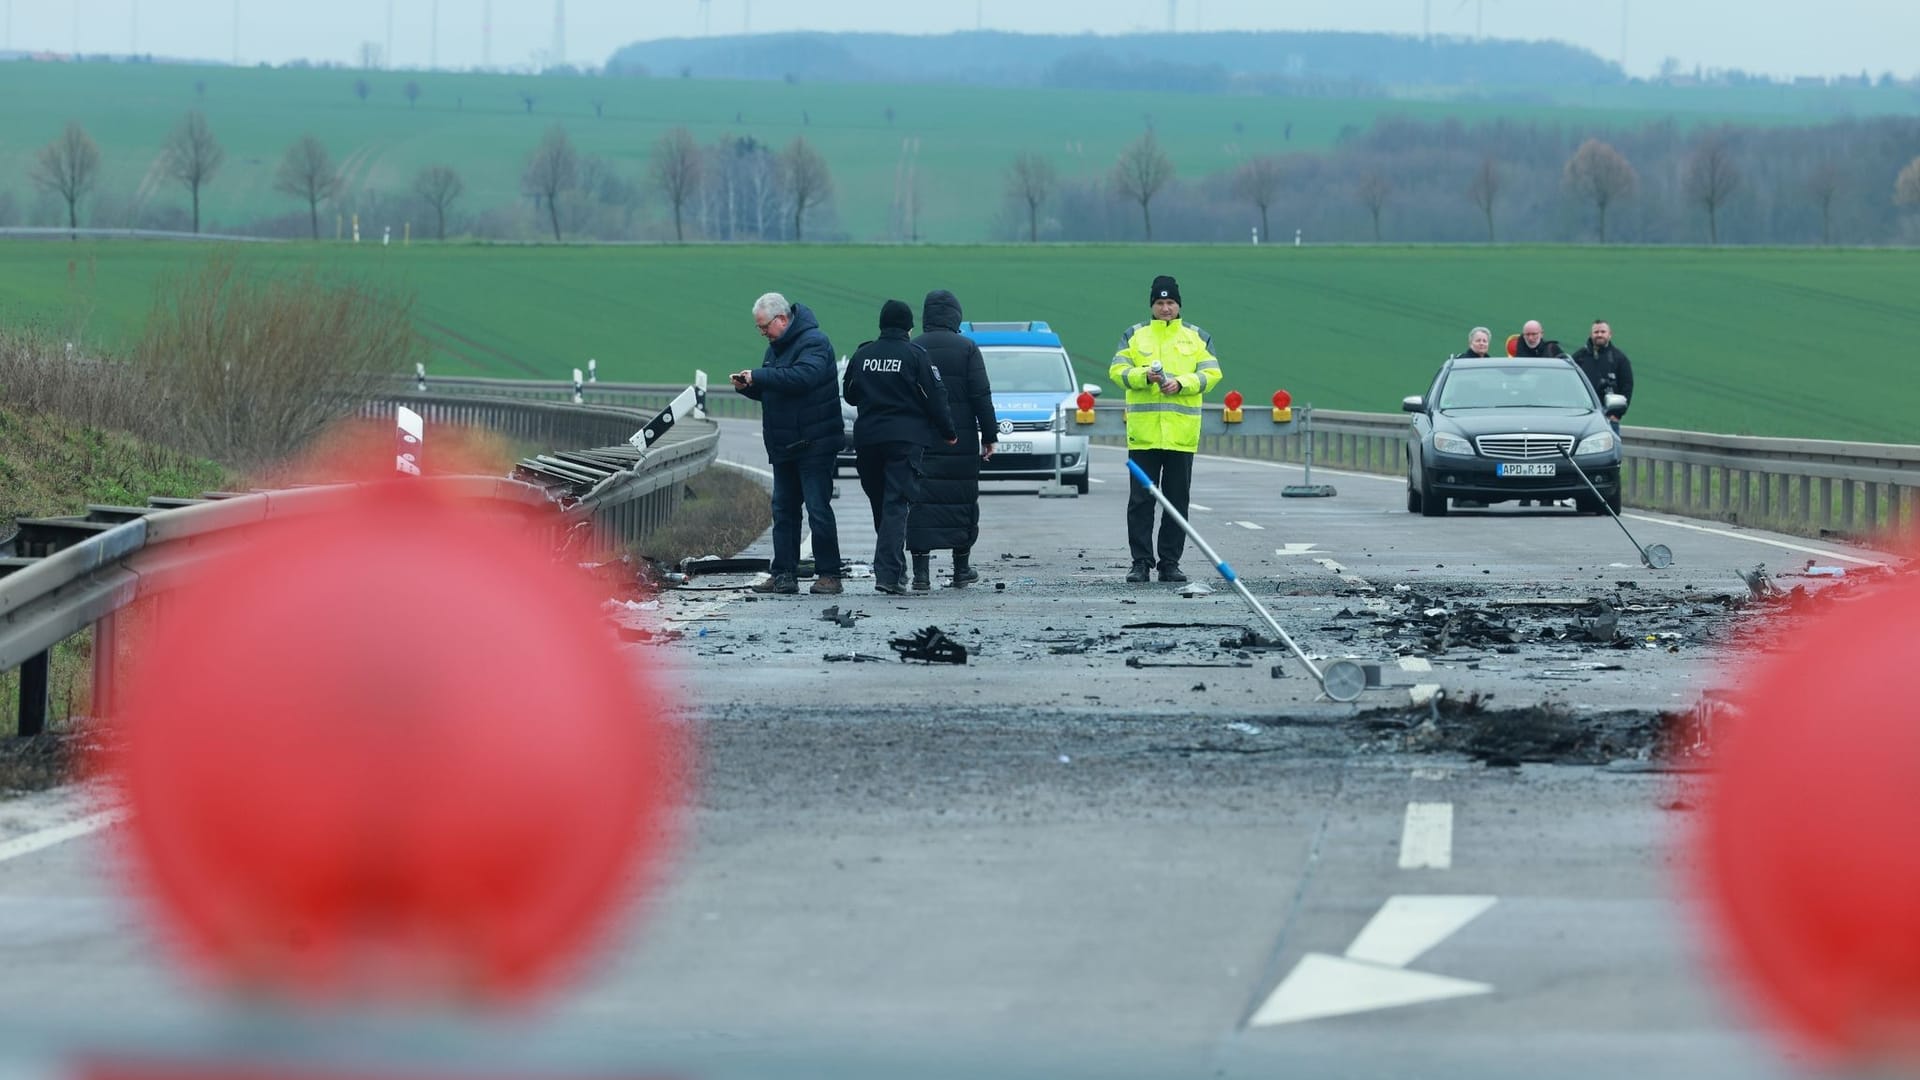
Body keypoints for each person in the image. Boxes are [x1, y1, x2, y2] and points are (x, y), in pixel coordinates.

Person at [1110, 274, 1223, 584]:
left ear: (1179, 305)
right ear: (1152, 305)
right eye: (1160, 303)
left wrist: (1181, 383)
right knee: (1140, 502)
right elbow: (1117, 371)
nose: (1165, 308)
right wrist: (1144, 376)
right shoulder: (1134, 336)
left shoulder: (1197, 337)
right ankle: (1141, 563)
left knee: (1176, 501)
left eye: (1170, 302)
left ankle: (1170, 563)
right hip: (1144, 435)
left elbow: (1212, 374)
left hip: (1180, 435)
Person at [730, 293, 844, 596]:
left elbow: (803, 378)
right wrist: (750, 387)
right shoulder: (775, 349)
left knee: (818, 509)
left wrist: (761, 376)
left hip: (815, 442)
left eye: (764, 326)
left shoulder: (814, 341)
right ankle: (783, 573)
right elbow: (778, 388)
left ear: (781, 319)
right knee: (783, 511)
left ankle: (830, 574)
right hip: (784, 444)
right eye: (759, 328)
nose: (763, 333)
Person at [842, 299, 957, 595]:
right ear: (909, 326)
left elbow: (851, 395)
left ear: (881, 324)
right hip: (906, 441)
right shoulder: (916, 355)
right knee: (895, 505)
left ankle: (893, 569)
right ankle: (889, 575)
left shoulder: (863, 354)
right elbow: (936, 397)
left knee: (881, 505)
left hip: (867, 441)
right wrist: (948, 432)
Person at [906, 289, 998, 591]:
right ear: (956, 316)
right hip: (962, 439)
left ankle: (921, 574)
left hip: (922, 440)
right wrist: (990, 435)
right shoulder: (967, 347)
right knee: (962, 499)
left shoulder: (914, 347)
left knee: (920, 502)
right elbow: (981, 395)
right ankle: (961, 568)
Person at [1572, 319, 1634, 431]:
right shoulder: (1579, 357)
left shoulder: (1620, 359)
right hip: (1582, 419)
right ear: (1591, 335)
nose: (1599, 335)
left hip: (1609, 420)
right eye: (1596, 332)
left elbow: (1627, 387)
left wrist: (1617, 414)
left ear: (1610, 335)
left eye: (1603, 332)